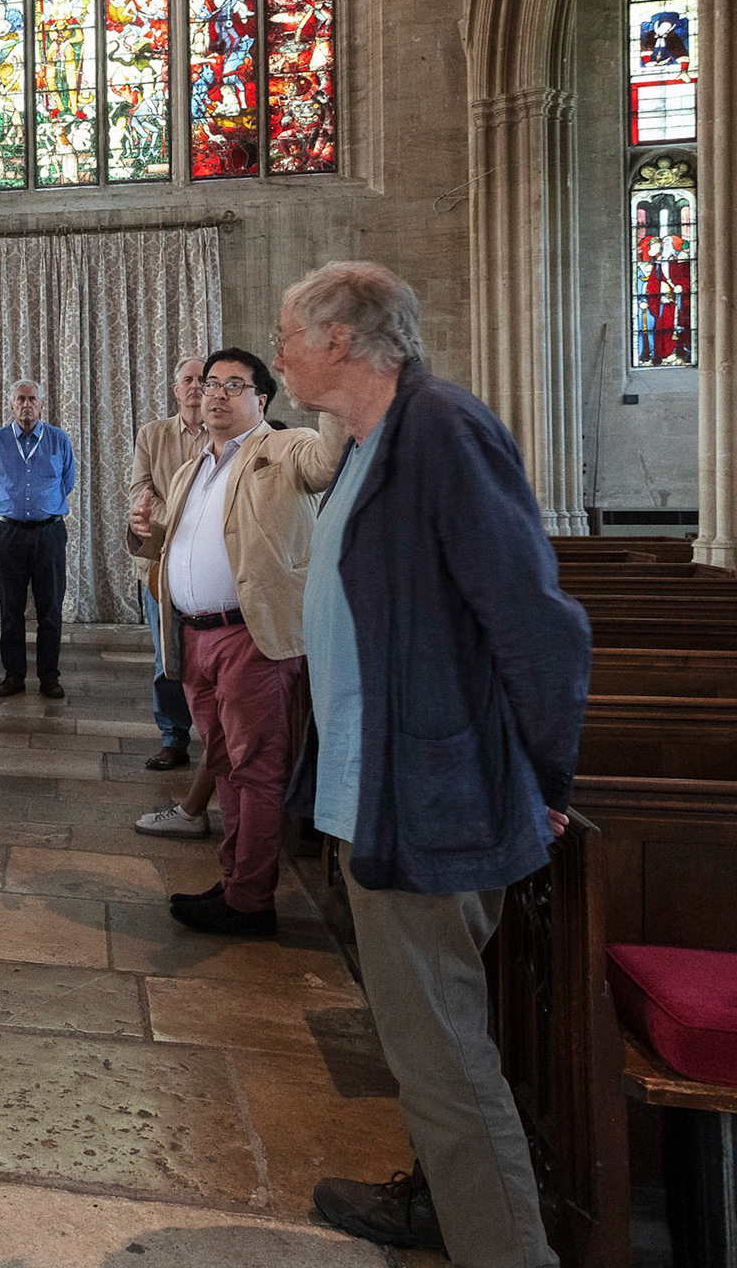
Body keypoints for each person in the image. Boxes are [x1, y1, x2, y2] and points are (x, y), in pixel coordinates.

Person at [278, 262, 586, 1268]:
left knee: (446, 1063)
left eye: (289, 333)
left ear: (339, 338)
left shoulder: (443, 429)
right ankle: (437, 1206)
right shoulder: (374, 442)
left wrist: (544, 778)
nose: (279, 352)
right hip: (386, 795)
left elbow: (538, 622)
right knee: (424, 1052)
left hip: (432, 800)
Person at [129, 347, 343, 937]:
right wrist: (143, 531)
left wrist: (323, 382)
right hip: (197, 638)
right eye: (211, 385)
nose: (216, 394)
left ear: (261, 399)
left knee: (255, 767)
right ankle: (234, 882)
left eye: (233, 385)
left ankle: (251, 901)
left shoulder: (282, 447)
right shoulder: (193, 465)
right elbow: (170, 542)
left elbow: (326, 462)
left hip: (250, 636)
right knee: (224, 766)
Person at [128, 357, 209, 778]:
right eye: (188, 380)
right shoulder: (152, 434)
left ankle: (217, 738)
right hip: (163, 562)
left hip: (216, 564)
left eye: (203, 380)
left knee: (212, 657)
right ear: (175, 390)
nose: (195, 386)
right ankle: (173, 738)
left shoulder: (225, 431)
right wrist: (186, 517)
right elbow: (141, 489)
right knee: (168, 658)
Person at [0, 379, 75, 698]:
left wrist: (43, 507)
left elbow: (68, 480)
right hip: (9, 534)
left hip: (49, 533)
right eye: (20, 399)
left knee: (50, 609)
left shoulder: (59, 440)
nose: (26, 404)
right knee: (11, 608)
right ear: (11, 405)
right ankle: (13, 675)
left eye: (32, 399)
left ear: (42, 404)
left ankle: (49, 676)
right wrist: (11, 504)